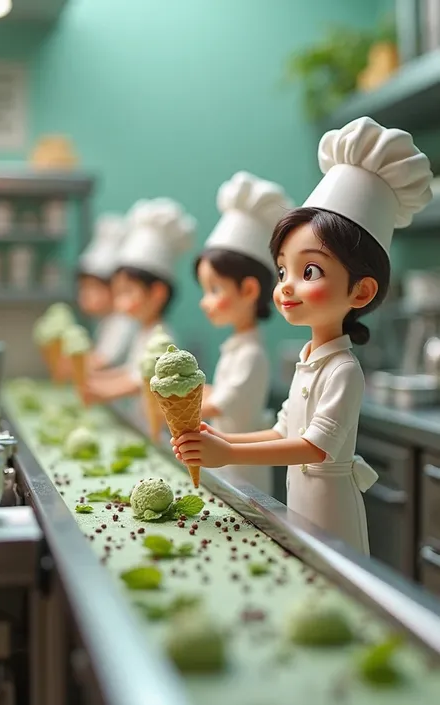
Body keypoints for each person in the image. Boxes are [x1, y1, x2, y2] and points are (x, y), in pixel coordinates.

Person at [172, 116, 433, 554]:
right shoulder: (312, 359)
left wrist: (229, 453)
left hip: (331, 506)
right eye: (282, 270)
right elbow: (282, 429)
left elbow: (313, 447)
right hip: (302, 501)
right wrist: (220, 442)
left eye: (308, 270)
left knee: (336, 577)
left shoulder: (344, 370)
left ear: (361, 290)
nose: (286, 285)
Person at [196, 171, 293, 494]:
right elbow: (218, 392)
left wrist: (180, 403)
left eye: (213, 289)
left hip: (239, 460)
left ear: (249, 289)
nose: (205, 302)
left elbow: (223, 402)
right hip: (222, 457)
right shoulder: (238, 346)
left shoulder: (251, 354)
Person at [85, 198, 196, 403]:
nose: (119, 303)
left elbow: (141, 381)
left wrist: (103, 390)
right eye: (117, 293)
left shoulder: (163, 340)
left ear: (157, 293)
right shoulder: (143, 333)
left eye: (127, 292)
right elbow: (130, 372)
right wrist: (97, 381)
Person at [77, 213, 136, 370]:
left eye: (94, 287)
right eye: (83, 287)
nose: (85, 294)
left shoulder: (124, 322)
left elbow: (102, 362)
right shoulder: (105, 321)